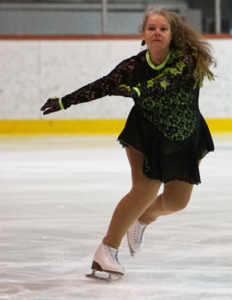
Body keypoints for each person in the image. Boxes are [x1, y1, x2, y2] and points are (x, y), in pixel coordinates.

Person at [41, 7, 216, 279]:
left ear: (172, 35)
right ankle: (107, 250)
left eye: (163, 29)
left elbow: (165, 82)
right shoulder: (133, 66)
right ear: (143, 35)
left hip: (185, 134)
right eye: (151, 28)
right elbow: (102, 85)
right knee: (145, 188)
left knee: (177, 202)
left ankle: (144, 219)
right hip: (145, 133)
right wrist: (65, 101)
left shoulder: (186, 60)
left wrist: (137, 89)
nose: (157, 32)